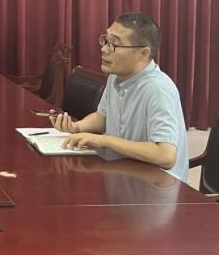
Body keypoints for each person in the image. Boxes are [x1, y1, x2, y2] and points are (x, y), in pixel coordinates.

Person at [52, 12, 189, 181]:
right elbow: (103, 116)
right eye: (105, 41)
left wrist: (105, 140)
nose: (104, 49)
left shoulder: (158, 89)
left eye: (114, 44)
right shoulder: (116, 76)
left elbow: (165, 155)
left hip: (155, 186)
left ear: (143, 53)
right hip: (123, 172)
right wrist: (77, 127)